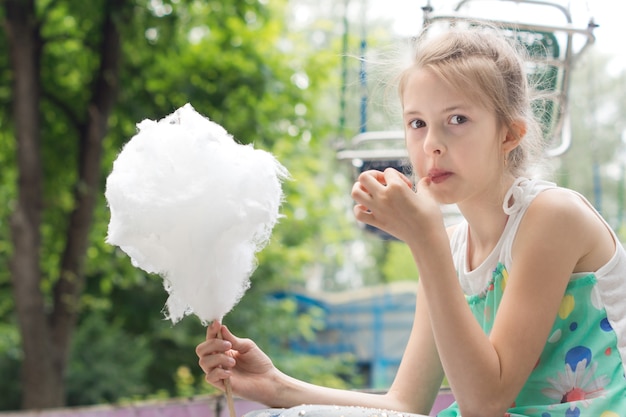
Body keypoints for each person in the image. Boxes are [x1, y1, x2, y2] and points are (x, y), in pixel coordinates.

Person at [196, 25, 626, 417]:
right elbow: (406, 404)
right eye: (417, 123)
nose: (432, 144)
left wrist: (426, 240)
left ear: (509, 134)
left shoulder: (552, 217)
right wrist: (278, 386)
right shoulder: (452, 247)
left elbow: (485, 404)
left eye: (457, 120)